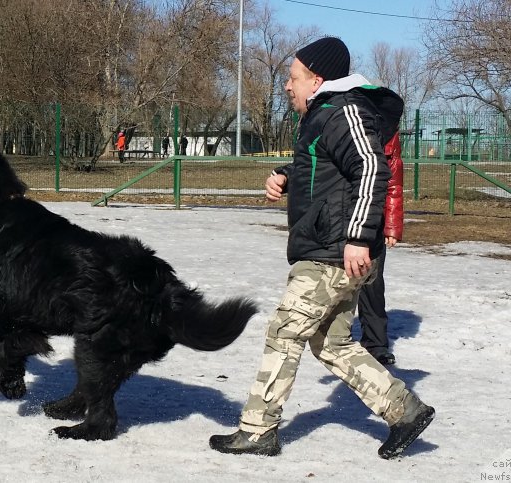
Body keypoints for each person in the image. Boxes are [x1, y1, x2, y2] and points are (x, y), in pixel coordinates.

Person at [209, 37, 434, 459]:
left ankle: (258, 430)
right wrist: (286, 175)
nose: (287, 87)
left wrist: (357, 238)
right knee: (331, 343)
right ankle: (405, 410)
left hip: (333, 251)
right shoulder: (326, 114)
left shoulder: (344, 110)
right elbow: (329, 170)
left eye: (293, 78)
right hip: (331, 248)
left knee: (285, 330)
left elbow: (371, 167)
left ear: (317, 79)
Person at [358, 131, 404, 366]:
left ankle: (375, 343)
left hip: (373, 218)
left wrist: (392, 225)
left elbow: (393, 182)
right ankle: (324, 337)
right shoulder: (335, 116)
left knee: (372, 282)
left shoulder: (387, 129)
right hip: (339, 214)